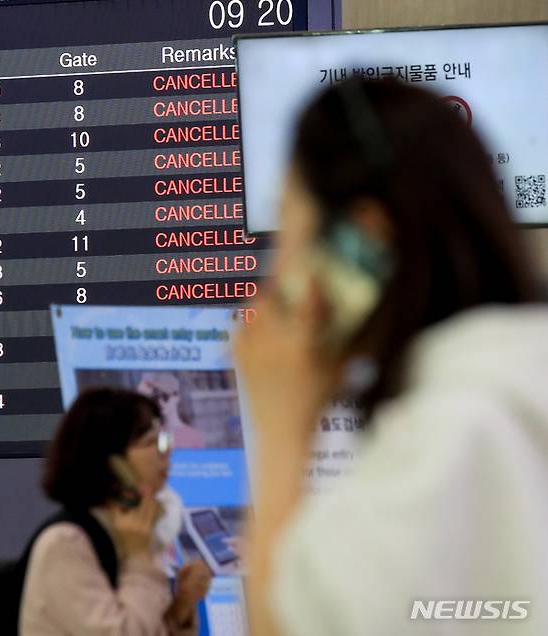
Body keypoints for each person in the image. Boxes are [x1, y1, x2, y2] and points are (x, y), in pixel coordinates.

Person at [233, 76, 548, 635]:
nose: (274, 273)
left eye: (289, 229)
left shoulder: (449, 438)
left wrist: (283, 429)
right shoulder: (511, 383)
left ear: (362, 241)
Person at [19, 388, 211, 635]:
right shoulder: (66, 544)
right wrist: (140, 561)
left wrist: (181, 608)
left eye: (164, 440)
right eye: (152, 442)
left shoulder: (129, 534)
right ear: (111, 460)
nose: (167, 452)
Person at [137, 372, 205, 449]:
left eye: (165, 396)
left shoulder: (193, 436)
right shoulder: (157, 432)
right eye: (156, 398)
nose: (160, 402)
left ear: (177, 398)